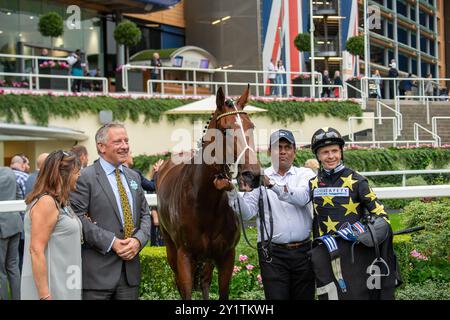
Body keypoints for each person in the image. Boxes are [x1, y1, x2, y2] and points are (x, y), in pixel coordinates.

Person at [214, 129, 316, 300]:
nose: (282, 152)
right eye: (277, 147)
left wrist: (271, 185)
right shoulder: (259, 176)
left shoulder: (305, 174)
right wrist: (232, 191)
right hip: (273, 254)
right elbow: (247, 213)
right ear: (270, 152)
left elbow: (303, 198)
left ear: (294, 151)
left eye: (287, 147)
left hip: (304, 252)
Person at [307, 127, 400, 300]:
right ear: (318, 156)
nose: (331, 156)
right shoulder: (313, 184)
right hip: (326, 256)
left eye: (335, 151)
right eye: (325, 152)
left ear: (341, 152)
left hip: (354, 256)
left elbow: (381, 214)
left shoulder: (357, 180)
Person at [70, 122, 151, 300]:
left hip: (130, 275)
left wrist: (138, 241)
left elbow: (145, 214)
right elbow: (77, 218)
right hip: (97, 276)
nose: (125, 146)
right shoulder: (85, 177)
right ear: (101, 146)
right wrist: (112, 242)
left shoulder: (133, 176)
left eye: (126, 140)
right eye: (118, 142)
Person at [21, 150, 82, 300]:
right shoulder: (46, 202)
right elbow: (36, 250)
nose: (79, 176)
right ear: (64, 174)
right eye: (77, 172)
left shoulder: (59, 201)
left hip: (67, 280)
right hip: (53, 287)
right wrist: (45, 296)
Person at [0, 167, 23, 300]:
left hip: (2, 228)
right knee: (13, 266)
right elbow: (19, 197)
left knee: (1, 271)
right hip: (15, 224)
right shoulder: (10, 173)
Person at [10, 154, 30, 272]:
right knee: (21, 256)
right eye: (26, 164)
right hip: (21, 223)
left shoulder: (3, 176)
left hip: (5, 223)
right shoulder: (25, 178)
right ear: (22, 165)